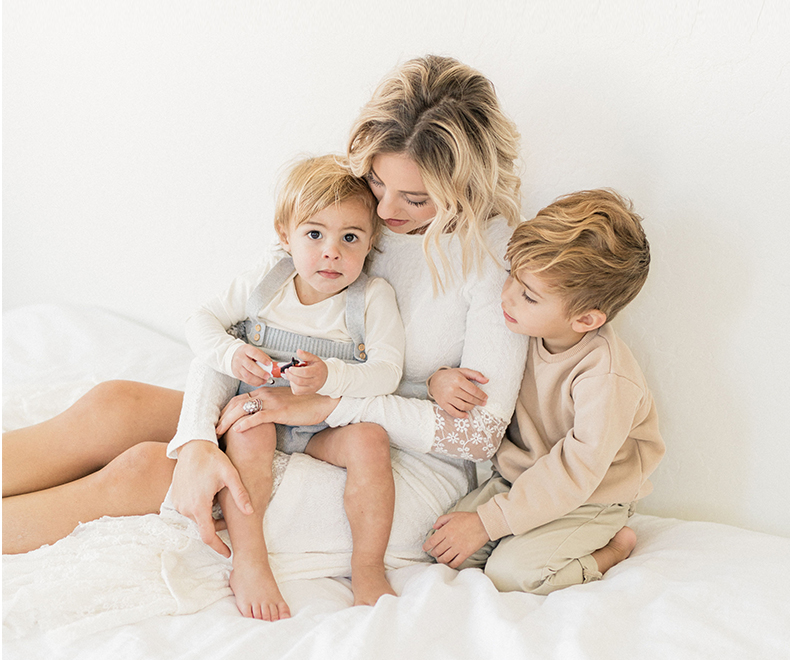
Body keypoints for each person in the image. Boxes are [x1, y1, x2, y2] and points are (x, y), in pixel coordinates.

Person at [2, 56, 550, 599]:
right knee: (113, 407)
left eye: (415, 198)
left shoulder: (495, 259)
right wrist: (196, 439)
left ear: (463, 185)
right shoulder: (342, 210)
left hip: (392, 465)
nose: (384, 210)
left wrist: (331, 405)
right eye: (377, 180)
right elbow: (245, 327)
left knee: (145, 469)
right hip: (289, 403)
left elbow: (477, 436)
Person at [182, 155, 405, 617]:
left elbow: (388, 372)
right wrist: (231, 353)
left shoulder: (371, 297)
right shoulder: (269, 280)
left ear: (371, 242)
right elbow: (201, 320)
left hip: (323, 427)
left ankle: (368, 566)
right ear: (285, 235)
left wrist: (331, 376)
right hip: (259, 412)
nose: (331, 252)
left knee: (370, 440)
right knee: (250, 430)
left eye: (350, 238)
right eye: (314, 234)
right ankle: (250, 560)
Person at [424, 189, 666, 593]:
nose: (506, 296)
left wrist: (488, 522)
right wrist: (439, 380)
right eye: (511, 276)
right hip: (520, 480)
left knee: (513, 574)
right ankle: (523, 529)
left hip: (591, 496)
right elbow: (461, 365)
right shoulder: (520, 328)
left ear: (586, 319)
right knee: (444, 547)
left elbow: (576, 470)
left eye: (529, 295)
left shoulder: (605, 377)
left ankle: (611, 550)